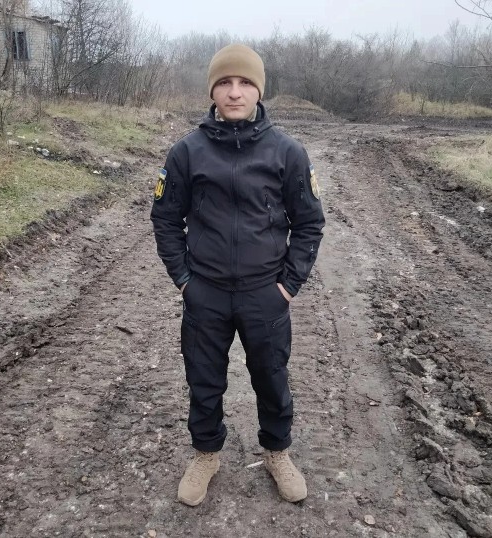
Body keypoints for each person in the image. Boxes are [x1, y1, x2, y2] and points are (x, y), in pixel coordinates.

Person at [150, 43, 325, 506]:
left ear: (258, 90)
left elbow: (310, 223)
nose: (234, 92)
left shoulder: (287, 152)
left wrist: (288, 286)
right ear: (212, 90)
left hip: (264, 294)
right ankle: (206, 455)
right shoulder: (186, 152)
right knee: (204, 379)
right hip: (205, 292)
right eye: (225, 83)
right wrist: (184, 280)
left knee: (271, 377)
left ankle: (277, 452)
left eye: (245, 82)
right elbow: (165, 218)